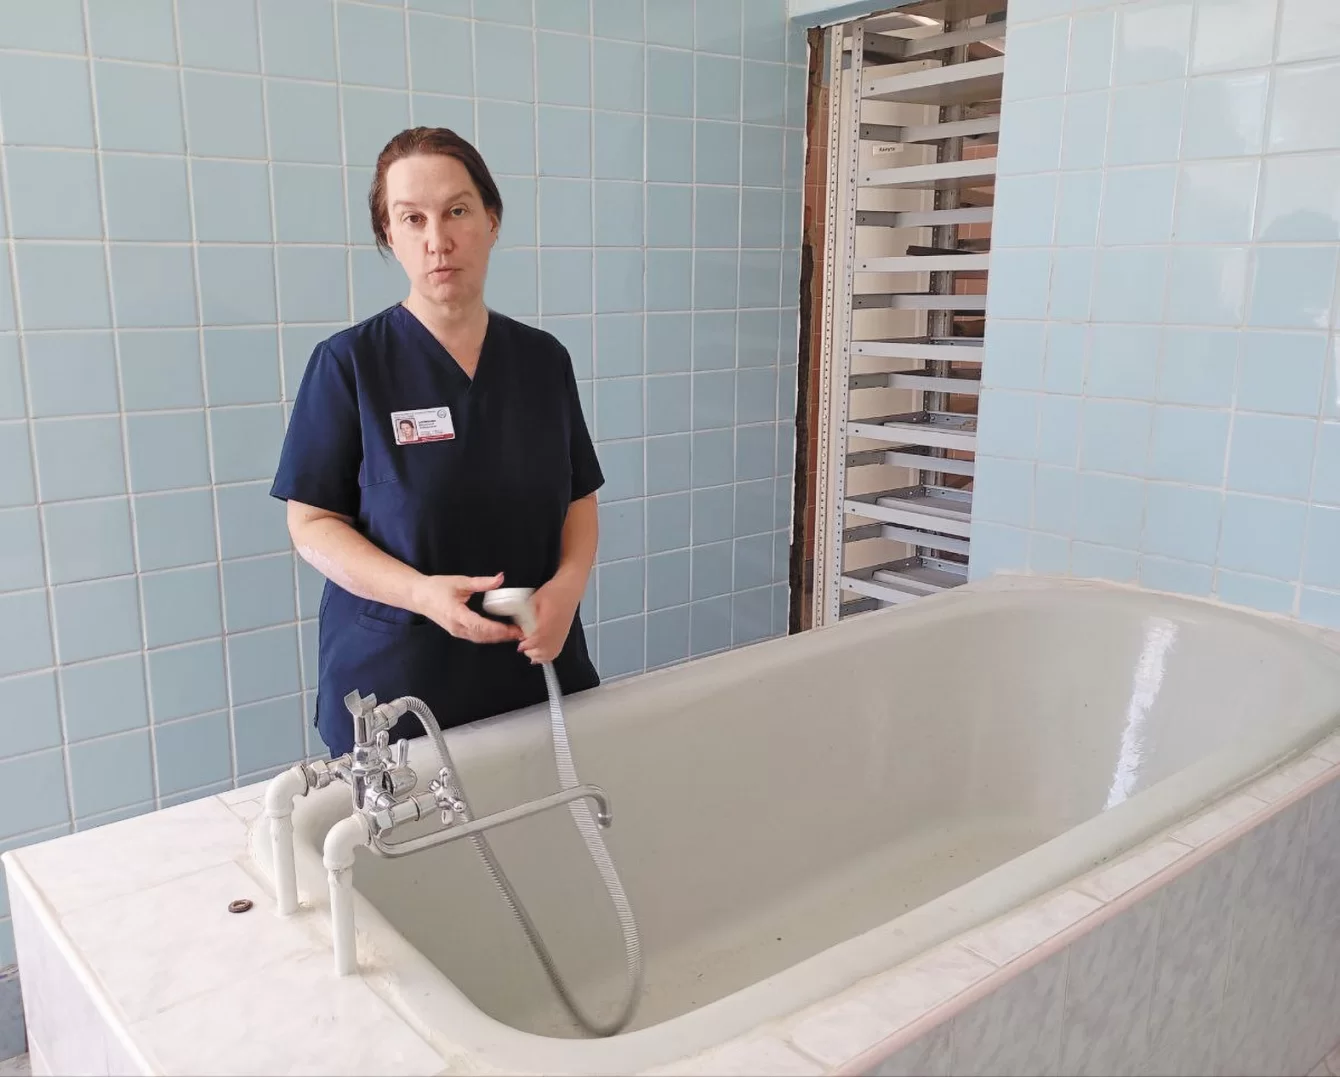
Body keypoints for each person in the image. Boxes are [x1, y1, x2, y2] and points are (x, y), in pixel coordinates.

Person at [270, 127, 604, 758]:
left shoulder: (542, 361)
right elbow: (311, 523)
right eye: (412, 218)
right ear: (388, 235)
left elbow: (579, 498)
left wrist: (568, 587)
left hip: (535, 667)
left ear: (491, 220)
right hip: (400, 688)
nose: (438, 240)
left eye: (457, 211)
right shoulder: (349, 365)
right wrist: (420, 594)